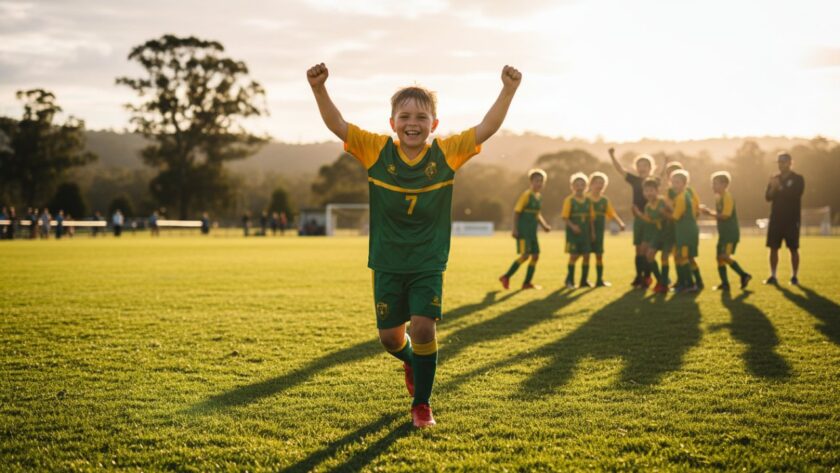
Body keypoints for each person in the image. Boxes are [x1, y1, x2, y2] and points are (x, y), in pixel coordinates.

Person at [307, 61, 521, 428]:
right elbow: (337, 125)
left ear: (433, 125)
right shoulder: (376, 150)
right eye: (405, 116)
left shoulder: (446, 153)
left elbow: (486, 128)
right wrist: (319, 88)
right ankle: (409, 359)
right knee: (391, 339)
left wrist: (508, 89)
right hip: (387, 262)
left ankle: (422, 405)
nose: (413, 123)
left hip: (427, 261)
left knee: (424, 326)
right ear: (392, 123)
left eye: (422, 117)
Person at [609, 148, 654, 287]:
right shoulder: (634, 180)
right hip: (638, 219)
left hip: (651, 219)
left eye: (645, 165)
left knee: (647, 250)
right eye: (639, 166)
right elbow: (620, 169)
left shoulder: (654, 181)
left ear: (650, 167)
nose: (642, 168)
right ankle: (639, 276)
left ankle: (647, 277)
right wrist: (612, 156)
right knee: (638, 249)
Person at [499, 168, 551, 290]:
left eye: (541, 181)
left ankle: (526, 283)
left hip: (533, 233)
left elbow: (537, 214)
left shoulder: (539, 197)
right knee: (525, 256)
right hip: (523, 231)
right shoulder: (526, 195)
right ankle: (506, 277)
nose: (539, 183)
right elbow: (516, 212)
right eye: (537, 181)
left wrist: (544, 226)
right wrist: (514, 229)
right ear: (531, 182)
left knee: (536, 256)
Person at [700, 171, 752, 291]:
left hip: (730, 234)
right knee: (719, 258)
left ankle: (744, 275)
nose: (712, 186)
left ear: (724, 185)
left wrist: (708, 213)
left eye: (715, 184)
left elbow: (725, 216)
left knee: (724, 256)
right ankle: (725, 284)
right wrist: (709, 212)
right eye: (712, 184)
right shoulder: (719, 197)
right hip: (723, 234)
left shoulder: (727, 197)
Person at [764, 152, 805, 285]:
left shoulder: (798, 179)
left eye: (783, 162)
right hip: (776, 218)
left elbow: (795, 194)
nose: (781, 165)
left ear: (790, 163)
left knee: (793, 248)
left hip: (792, 219)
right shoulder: (775, 178)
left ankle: (794, 276)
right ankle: (773, 275)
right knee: (773, 248)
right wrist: (773, 187)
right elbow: (768, 197)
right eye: (779, 163)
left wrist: (779, 187)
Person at [588, 172, 625, 287]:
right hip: (587, 229)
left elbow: (611, 213)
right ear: (591, 184)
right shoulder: (586, 198)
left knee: (599, 254)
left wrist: (620, 223)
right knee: (584, 254)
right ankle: (582, 280)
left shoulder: (604, 200)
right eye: (597, 183)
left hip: (599, 230)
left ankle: (599, 280)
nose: (599, 185)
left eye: (602, 183)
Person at [669, 170, 703, 292]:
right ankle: (696, 282)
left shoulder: (681, 198)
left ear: (684, 183)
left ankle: (689, 284)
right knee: (686, 257)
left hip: (686, 232)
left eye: (677, 182)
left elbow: (675, 217)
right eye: (672, 182)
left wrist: (663, 213)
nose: (674, 185)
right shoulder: (684, 196)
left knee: (683, 257)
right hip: (685, 231)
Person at [561, 172, 595, 288]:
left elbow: (591, 218)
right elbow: (565, 218)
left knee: (586, 255)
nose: (580, 187)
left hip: (585, 233)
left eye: (582, 184)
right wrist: (573, 226)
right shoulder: (569, 200)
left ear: (586, 187)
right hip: (573, 234)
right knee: (574, 256)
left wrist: (593, 232)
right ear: (572, 186)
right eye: (577, 184)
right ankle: (569, 281)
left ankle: (584, 281)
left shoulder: (588, 201)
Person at [638, 178, 669, 293]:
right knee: (649, 255)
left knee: (664, 258)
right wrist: (639, 214)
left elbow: (672, 214)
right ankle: (660, 281)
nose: (649, 193)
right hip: (656, 234)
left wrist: (665, 213)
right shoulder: (647, 206)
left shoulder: (663, 201)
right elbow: (649, 220)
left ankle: (665, 284)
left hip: (667, 233)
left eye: (651, 190)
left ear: (657, 191)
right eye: (646, 191)